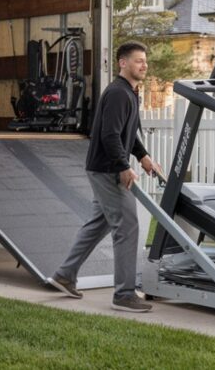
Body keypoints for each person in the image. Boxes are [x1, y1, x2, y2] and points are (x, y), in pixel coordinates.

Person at [49, 41, 163, 313]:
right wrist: (123, 166)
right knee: (127, 227)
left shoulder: (131, 93)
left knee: (98, 225)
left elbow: (127, 131)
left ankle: (65, 274)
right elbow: (109, 135)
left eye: (145, 61)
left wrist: (143, 155)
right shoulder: (117, 93)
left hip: (106, 167)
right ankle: (123, 294)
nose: (143, 65)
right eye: (138, 61)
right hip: (107, 170)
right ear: (122, 63)